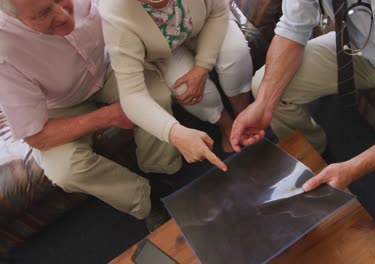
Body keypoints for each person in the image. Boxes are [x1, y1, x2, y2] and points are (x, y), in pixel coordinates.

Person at [230, 0, 375, 263]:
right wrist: (264, 103)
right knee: (262, 86)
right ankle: (315, 159)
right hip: (362, 47)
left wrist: (354, 167)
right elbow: (292, 29)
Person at [0, 0, 227, 232]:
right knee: (66, 171)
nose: (63, 15)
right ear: (15, 17)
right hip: (58, 105)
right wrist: (106, 116)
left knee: (156, 97)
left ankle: (163, 171)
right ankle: (148, 198)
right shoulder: (4, 50)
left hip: (108, 66)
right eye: (44, 13)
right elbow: (36, 137)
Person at [98, 0, 253, 154]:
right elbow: (132, 94)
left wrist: (203, 66)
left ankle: (244, 114)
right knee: (185, 89)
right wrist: (174, 132)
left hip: (209, 20)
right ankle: (227, 126)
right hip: (163, 53)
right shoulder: (115, 12)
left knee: (235, 54)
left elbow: (218, 11)